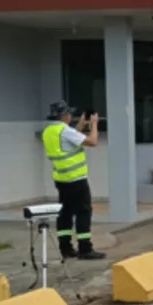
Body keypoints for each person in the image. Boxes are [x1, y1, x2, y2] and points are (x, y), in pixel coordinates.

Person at [42, 101, 106, 260]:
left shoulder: (50, 131)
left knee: (65, 214)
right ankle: (85, 249)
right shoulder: (64, 130)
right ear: (64, 116)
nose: (71, 116)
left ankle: (66, 248)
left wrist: (81, 125)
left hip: (62, 179)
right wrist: (94, 124)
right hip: (76, 179)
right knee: (84, 212)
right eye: (69, 114)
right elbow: (92, 141)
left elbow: (70, 141)